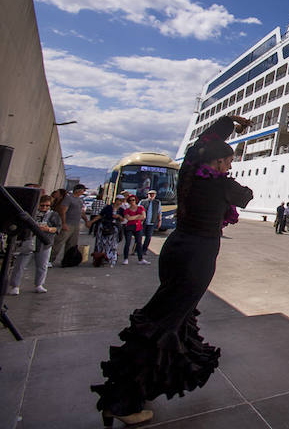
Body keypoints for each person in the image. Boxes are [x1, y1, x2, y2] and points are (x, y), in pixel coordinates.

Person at [92, 114, 253, 426]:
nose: (230, 167)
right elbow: (245, 196)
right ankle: (122, 401)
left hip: (177, 247)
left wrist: (226, 123)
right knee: (161, 323)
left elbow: (197, 147)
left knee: (167, 318)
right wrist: (231, 175)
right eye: (228, 162)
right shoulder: (220, 185)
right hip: (197, 257)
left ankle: (139, 386)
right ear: (218, 163)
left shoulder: (191, 171)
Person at [7, 194, 60, 295]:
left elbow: (58, 228)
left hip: (44, 243)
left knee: (42, 265)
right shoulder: (31, 213)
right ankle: (15, 285)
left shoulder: (53, 215)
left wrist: (48, 229)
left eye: (47, 206)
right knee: (20, 265)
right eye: (42, 205)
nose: (44, 208)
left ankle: (39, 284)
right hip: (29, 241)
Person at [50, 184, 88, 265]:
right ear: (78, 190)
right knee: (59, 242)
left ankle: (68, 260)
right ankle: (50, 259)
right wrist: (63, 223)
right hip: (67, 223)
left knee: (72, 244)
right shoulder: (69, 198)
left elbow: (81, 212)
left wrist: (86, 221)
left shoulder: (80, 200)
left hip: (76, 224)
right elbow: (62, 211)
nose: (84, 192)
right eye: (83, 190)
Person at [89, 198, 124, 267]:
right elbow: (100, 215)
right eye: (119, 200)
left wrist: (119, 216)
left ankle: (110, 259)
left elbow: (123, 219)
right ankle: (99, 259)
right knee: (101, 244)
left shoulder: (121, 210)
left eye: (121, 201)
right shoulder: (108, 207)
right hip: (104, 227)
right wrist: (91, 222)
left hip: (114, 229)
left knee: (112, 245)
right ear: (116, 200)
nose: (120, 202)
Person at [121, 195, 148, 265]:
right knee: (128, 243)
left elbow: (143, 217)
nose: (132, 201)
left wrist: (134, 217)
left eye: (133, 200)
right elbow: (128, 218)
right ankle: (125, 258)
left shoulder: (140, 208)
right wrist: (138, 216)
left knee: (139, 243)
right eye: (130, 200)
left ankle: (140, 259)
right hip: (129, 227)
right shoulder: (127, 210)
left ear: (136, 200)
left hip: (138, 227)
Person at [138, 190, 161, 258]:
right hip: (143, 222)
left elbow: (159, 212)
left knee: (148, 237)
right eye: (150, 194)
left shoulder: (157, 202)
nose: (152, 195)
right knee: (139, 236)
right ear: (147, 195)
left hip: (152, 222)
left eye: (153, 194)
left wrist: (159, 221)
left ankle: (144, 250)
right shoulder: (143, 202)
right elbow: (138, 210)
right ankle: (137, 249)